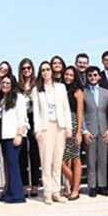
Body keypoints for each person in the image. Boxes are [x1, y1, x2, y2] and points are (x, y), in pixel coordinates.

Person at [31, 61, 72, 204]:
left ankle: (56, 191)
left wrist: (68, 127)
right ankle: (47, 192)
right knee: (46, 160)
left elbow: (66, 108)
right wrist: (37, 130)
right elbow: (36, 112)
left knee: (57, 160)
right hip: (45, 127)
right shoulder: (37, 90)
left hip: (60, 126)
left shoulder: (60, 87)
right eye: (43, 70)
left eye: (48, 69)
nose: (46, 72)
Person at [0, 75, 30, 203]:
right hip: (4, 137)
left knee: (13, 164)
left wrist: (19, 134)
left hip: (13, 136)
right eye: (3, 83)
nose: (5, 85)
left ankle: (17, 195)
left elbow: (22, 117)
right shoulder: (2, 99)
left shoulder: (18, 97)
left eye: (8, 83)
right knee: (8, 165)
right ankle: (10, 191)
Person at [82, 66, 108, 197]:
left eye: (95, 75)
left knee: (103, 159)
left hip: (104, 130)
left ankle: (102, 185)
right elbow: (81, 113)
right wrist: (84, 130)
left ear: (99, 76)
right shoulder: (82, 92)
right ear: (87, 77)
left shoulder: (106, 92)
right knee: (90, 159)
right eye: (90, 75)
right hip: (90, 130)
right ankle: (92, 186)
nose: (93, 77)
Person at [17, 58, 41, 197]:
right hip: (21, 120)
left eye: (29, 68)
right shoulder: (18, 86)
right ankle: (24, 184)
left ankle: (35, 185)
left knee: (34, 153)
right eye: (24, 68)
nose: (26, 70)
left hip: (34, 118)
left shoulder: (37, 84)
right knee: (22, 155)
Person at [60, 66, 84, 200]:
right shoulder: (61, 89)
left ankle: (75, 189)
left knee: (75, 158)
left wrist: (79, 132)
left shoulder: (78, 91)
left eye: (71, 75)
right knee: (61, 160)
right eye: (66, 74)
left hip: (74, 124)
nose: (68, 77)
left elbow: (80, 112)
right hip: (62, 125)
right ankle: (76, 185)